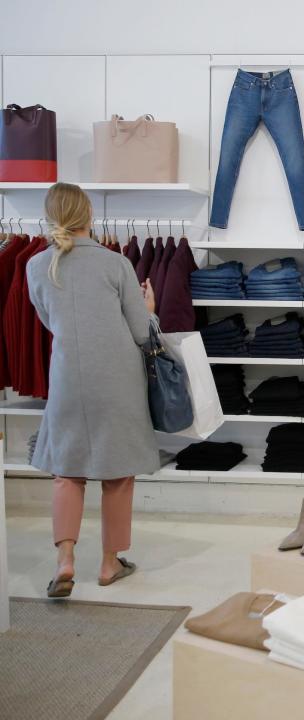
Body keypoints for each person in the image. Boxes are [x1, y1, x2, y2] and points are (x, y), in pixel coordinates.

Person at [26, 183, 160, 598]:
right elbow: (141, 332)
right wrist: (150, 311)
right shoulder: (115, 263)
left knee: (67, 472)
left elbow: (51, 322)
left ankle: (65, 560)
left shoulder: (35, 266)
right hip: (116, 377)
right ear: (88, 215)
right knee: (117, 474)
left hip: (67, 376)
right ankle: (108, 563)